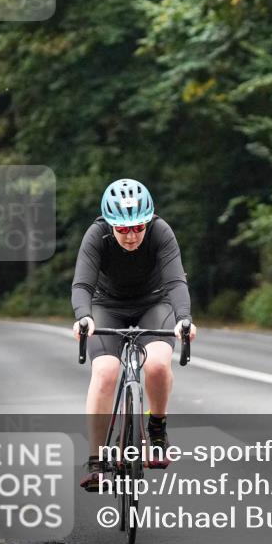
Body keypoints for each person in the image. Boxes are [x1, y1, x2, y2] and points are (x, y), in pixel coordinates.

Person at [71, 179, 197, 490]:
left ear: (148, 220)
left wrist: (184, 319)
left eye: (138, 227)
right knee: (105, 370)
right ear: (110, 224)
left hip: (154, 302)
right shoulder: (96, 235)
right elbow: (82, 286)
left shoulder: (160, 231)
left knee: (156, 363)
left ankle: (157, 427)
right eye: (123, 229)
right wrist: (83, 317)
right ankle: (96, 460)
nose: (131, 235)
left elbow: (176, 282)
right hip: (106, 304)